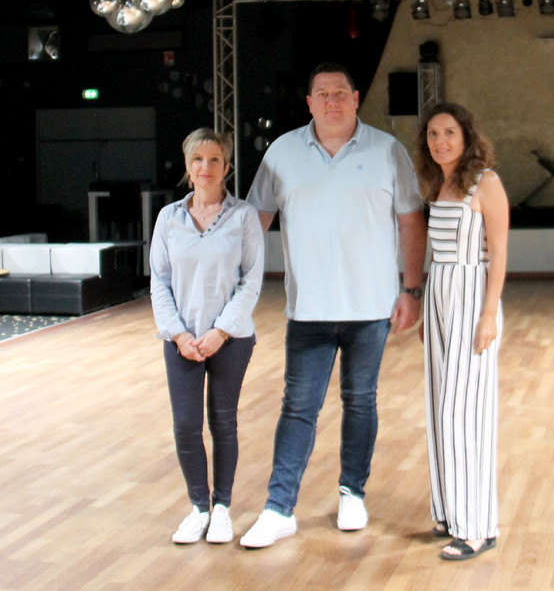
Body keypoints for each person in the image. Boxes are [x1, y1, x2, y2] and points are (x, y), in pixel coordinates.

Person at [238, 62, 427, 549]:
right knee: (298, 407)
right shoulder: (282, 152)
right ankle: (279, 508)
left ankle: (352, 493)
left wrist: (411, 290)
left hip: (371, 307)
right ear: (309, 103)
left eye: (340, 92)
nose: (332, 102)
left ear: (357, 97)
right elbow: (255, 220)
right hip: (309, 309)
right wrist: (232, 284)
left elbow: (410, 220)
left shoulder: (387, 150)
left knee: (359, 401)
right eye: (322, 94)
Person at [150, 128, 264, 545]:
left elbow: (251, 282)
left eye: (215, 159)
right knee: (185, 426)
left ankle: (222, 509)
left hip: (230, 340)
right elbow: (159, 283)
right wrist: (179, 335)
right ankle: (198, 507)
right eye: (198, 159)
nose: (206, 167)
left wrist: (220, 331)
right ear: (187, 167)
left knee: (223, 422)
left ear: (227, 167)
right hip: (182, 340)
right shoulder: (168, 218)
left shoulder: (243, 217)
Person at [415, 102, 509, 561]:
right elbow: (436, 252)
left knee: (464, 412)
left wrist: (489, 314)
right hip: (440, 297)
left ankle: (478, 526)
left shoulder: (485, 183)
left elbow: (500, 254)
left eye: (449, 132)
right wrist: (427, 311)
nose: (440, 142)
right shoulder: (437, 184)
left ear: (466, 136)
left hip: (473, 297)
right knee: (438, 406)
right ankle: (450, 513)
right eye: (433, 134)